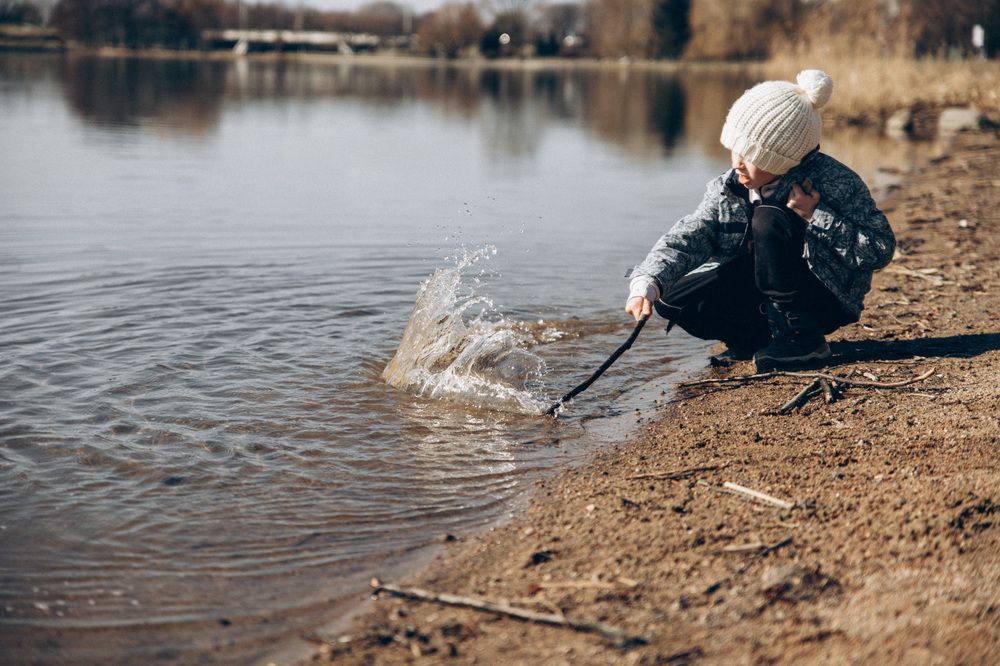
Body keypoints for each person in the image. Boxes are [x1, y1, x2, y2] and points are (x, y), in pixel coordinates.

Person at [625, 69, 895, 371]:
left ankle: (803, 338)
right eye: (735, 149)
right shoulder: (728, 188)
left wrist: (815, 216)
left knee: (768, 219)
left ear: (781, 158)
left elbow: (880, 249)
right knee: (672, 298)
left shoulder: (834, 182)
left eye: (750, 154)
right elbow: (691, 235)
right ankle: (753, 339)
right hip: (761, 292)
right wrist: (648, 281)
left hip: (825, 298)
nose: (737, 161)